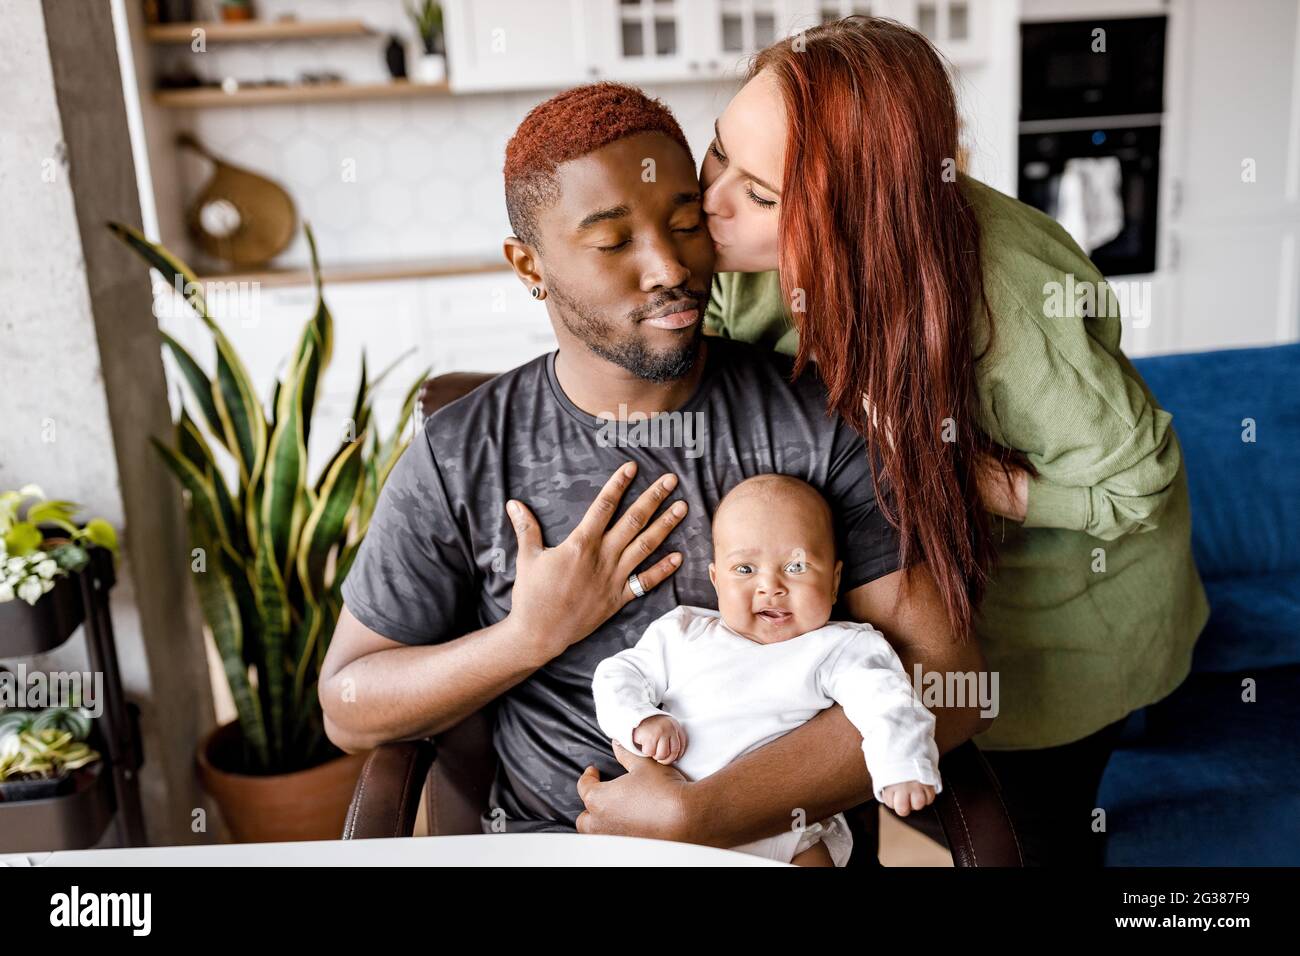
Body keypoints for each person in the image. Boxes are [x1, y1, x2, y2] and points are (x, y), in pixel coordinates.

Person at [319, 81, 990, 851]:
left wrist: (709, 813)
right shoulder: (459, 454)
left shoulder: (819, 417)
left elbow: (950, 686)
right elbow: (347, 707)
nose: (669, 265)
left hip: (780, 846)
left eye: (683, 223)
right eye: (612, 242)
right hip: (554, 842)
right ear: (528, 266)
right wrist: (529, 634)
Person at [699, 15, 1209, 865]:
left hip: (1057, 633)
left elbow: (1136, 483)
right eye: (718, 152)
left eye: (759, 194)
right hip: (927, 603)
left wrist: (973, 480)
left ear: (863, 217)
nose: (709, 202)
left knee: (1035, 832)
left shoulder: (1011, 301)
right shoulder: (734, 259)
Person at [592, 474, 942, 867]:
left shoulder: (841, 647)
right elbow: (616, 675)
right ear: (715, 581)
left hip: (785, 833)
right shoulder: (682, 632)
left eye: (796, 566)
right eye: (744, 570)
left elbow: (888, 700)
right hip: (671, 841)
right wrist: (640, 719)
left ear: (834, 582)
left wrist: (901, 763)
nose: (770, 586)